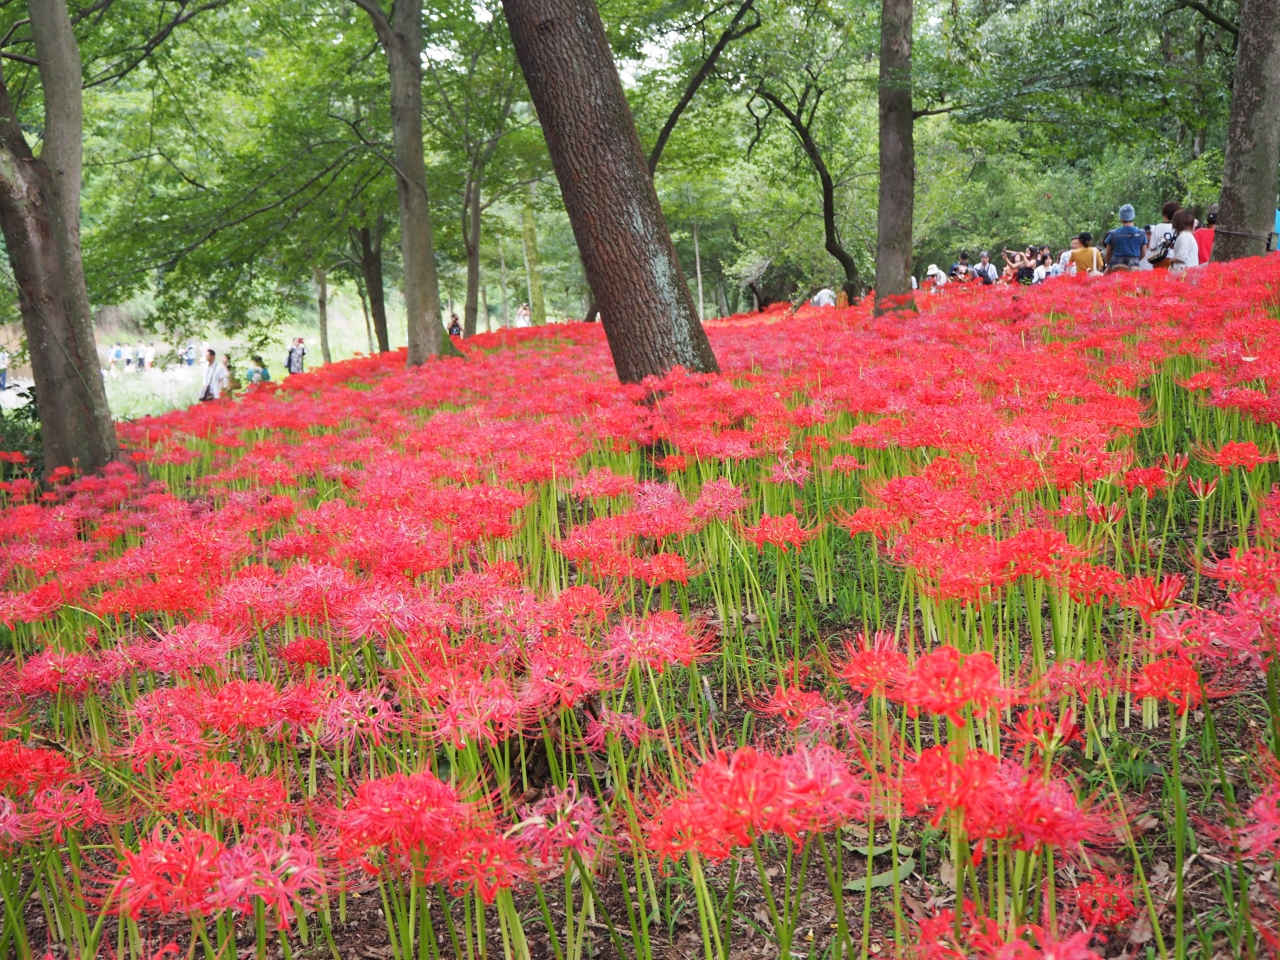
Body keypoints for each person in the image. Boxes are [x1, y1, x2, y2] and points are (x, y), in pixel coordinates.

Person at [1103, 205, 1148, 272]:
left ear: (1120, 218)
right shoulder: (1141, 233)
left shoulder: (1113, 234)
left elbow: (1108, 253)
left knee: (1103, 280)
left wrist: (1109, 264)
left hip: (1116, 267)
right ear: (1133, 217)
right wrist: (1136, 260)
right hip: (1134, 267)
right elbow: (1144, 253)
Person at [1168, 208, 1200, 276]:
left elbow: (1182, 257)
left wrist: (1171, 260)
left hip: (1184, 274)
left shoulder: (1184, 236)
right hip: (1188, 273)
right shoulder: (1186, 235)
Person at [1148, 201, 1180, 269]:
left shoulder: (1159, 227)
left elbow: (1152, 247)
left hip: (1161, 261)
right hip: (1177, 262)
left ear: (1165, 215)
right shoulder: (1180, 228)